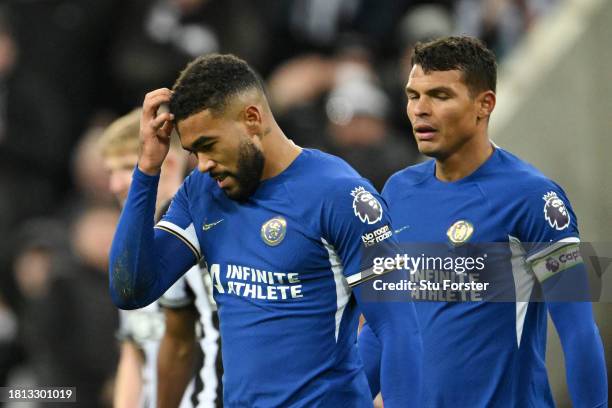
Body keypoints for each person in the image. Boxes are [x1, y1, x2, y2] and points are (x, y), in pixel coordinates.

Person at [108, 54, 421, 407]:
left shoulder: (340, 194)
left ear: (252, 119)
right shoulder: (202, 193)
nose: (204, 164)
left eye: (209, 145)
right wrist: (148, 168)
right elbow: (130, 288)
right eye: (194, 152)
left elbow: (397, 328)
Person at [360, 36, 608, 407]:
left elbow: (578, 333)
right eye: (414, 96)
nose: (420, 110)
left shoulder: (534, 199)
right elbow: (384, 328)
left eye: (440, 96)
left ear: (484, 104)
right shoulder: (398, 192)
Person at [100, 109, 221, 407]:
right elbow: (133, 353)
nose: (114, 185)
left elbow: (185, 344)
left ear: (167, 162)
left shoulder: (202, 234)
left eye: (127, 167)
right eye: (109, 172)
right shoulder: (130, 253)